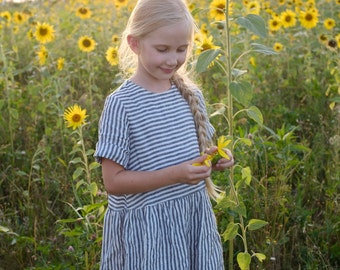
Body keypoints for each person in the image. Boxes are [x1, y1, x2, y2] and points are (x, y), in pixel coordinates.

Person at [94, 0, 234, 269]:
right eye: (163, 49)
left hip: (190, 218)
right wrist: (175, 175)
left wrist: (216, 159)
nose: (174, 60)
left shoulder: (190, 95)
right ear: (135, 44)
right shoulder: (121, 104)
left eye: (182, 49)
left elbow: (199, 154)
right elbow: (113, 182)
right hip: (149, 234)